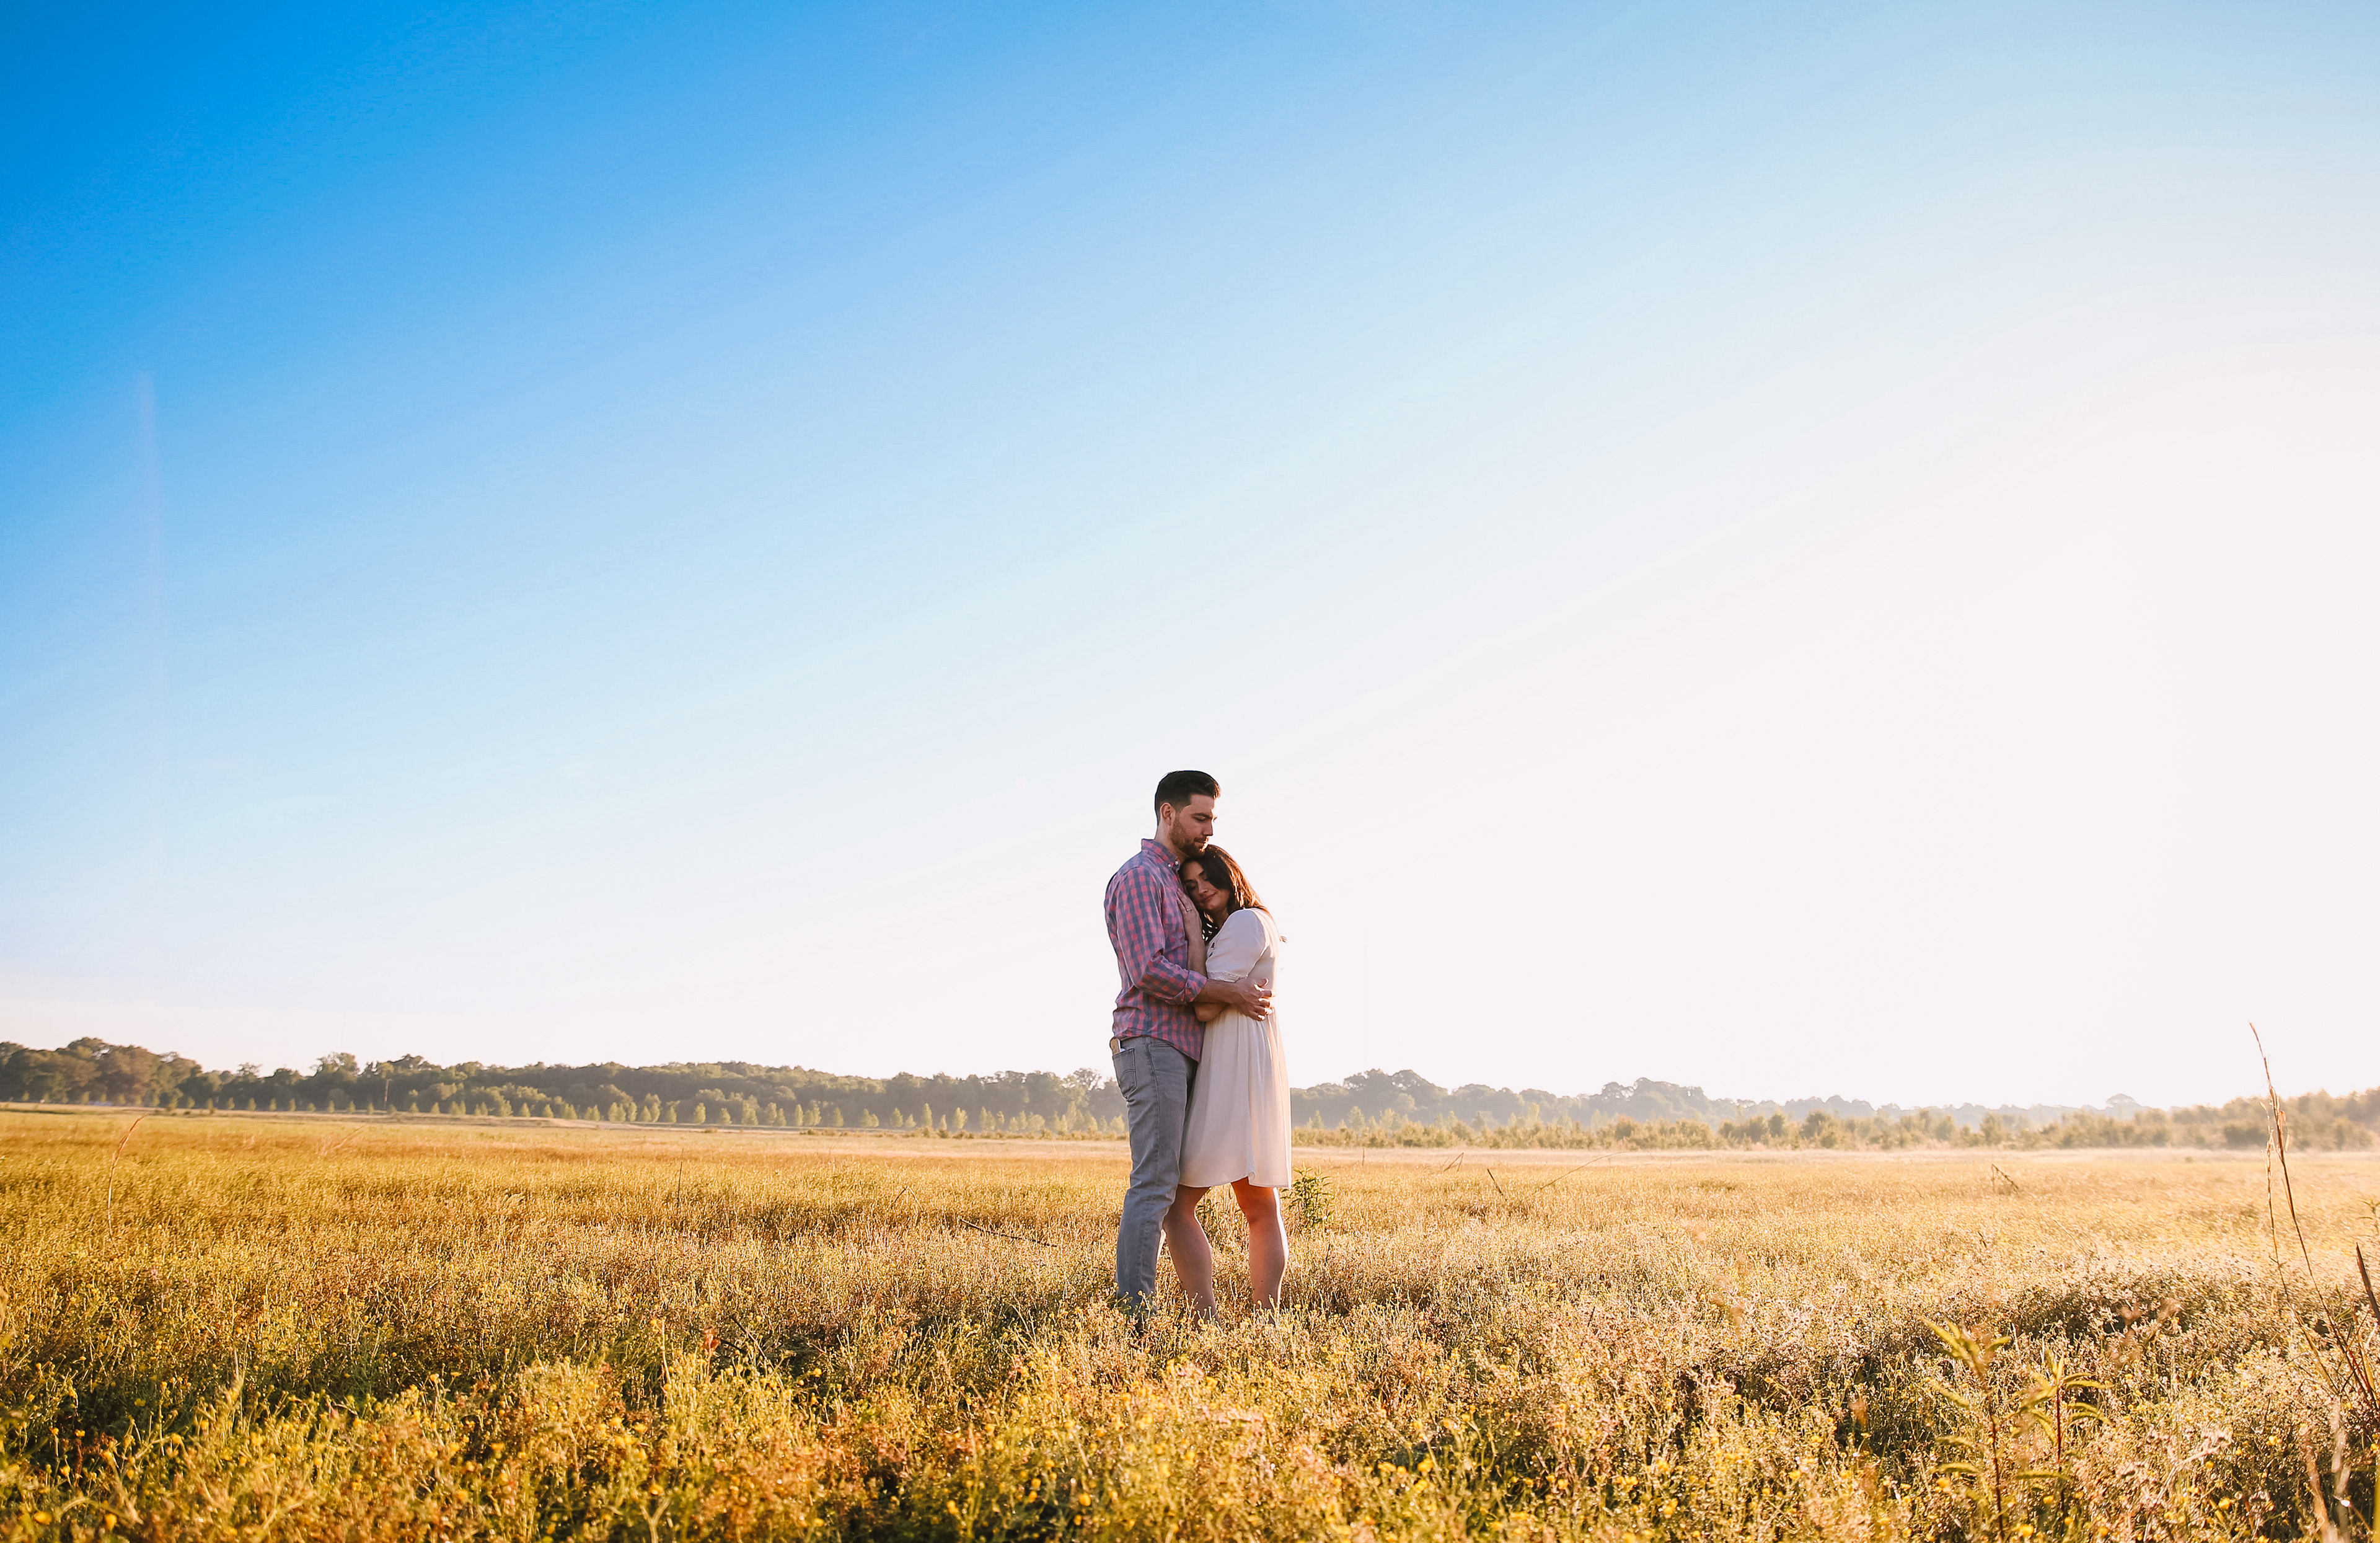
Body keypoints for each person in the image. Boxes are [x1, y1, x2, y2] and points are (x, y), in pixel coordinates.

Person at [1104, 770, 1272, 1315]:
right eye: (1200, 818)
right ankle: (1135, 1316)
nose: (1208, 830)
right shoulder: (1140, 878)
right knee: (1155, 1185)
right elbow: (1148, 970)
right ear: (1168, 813)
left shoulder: (1178, 883)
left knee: (1172, 1189)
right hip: (1153, 1043)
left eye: (1212, 820)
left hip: (1183, 1048)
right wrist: (1227, 991)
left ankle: (1180, 1312)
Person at [1167, 844, 1290, 1312]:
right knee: (1258, 1206)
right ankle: (1264, 1319)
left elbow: (1203, 1006)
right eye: (1191, 886)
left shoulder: (1244, 923)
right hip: (1242, 1063)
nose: (1201, 890)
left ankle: (1206, 1317)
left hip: (1234, 1068)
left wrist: (1195, 941)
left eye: (1206, 878)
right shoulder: (1246, 924)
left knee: (1178, 1204)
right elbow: (1216, 996)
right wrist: (1226, 990)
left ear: (1229, 873)